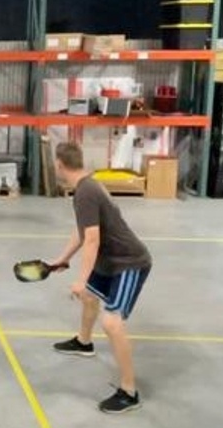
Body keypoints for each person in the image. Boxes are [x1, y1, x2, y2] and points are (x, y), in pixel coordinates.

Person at [48, 142, 152, 414]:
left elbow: (92, 239)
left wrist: (81, 279)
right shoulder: (86, 186)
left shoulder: (85, 192)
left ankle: (129, 391)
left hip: (128, 262)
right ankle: (84, 342)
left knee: (111, 322)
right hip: (110, 260)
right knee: (91, 297)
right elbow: (83, 231)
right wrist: (64, 259)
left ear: (59, 164)